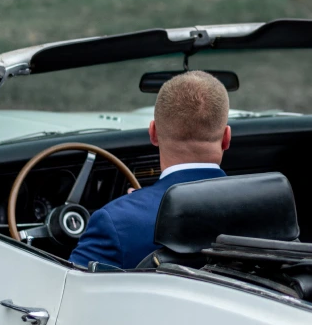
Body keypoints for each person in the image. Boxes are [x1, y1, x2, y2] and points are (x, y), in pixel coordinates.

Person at [69, 70, 230, 270]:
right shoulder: (270, 210)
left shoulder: (116, 222)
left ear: (153, 133)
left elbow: (67, 292)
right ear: (226, 137)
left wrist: (135, 206)